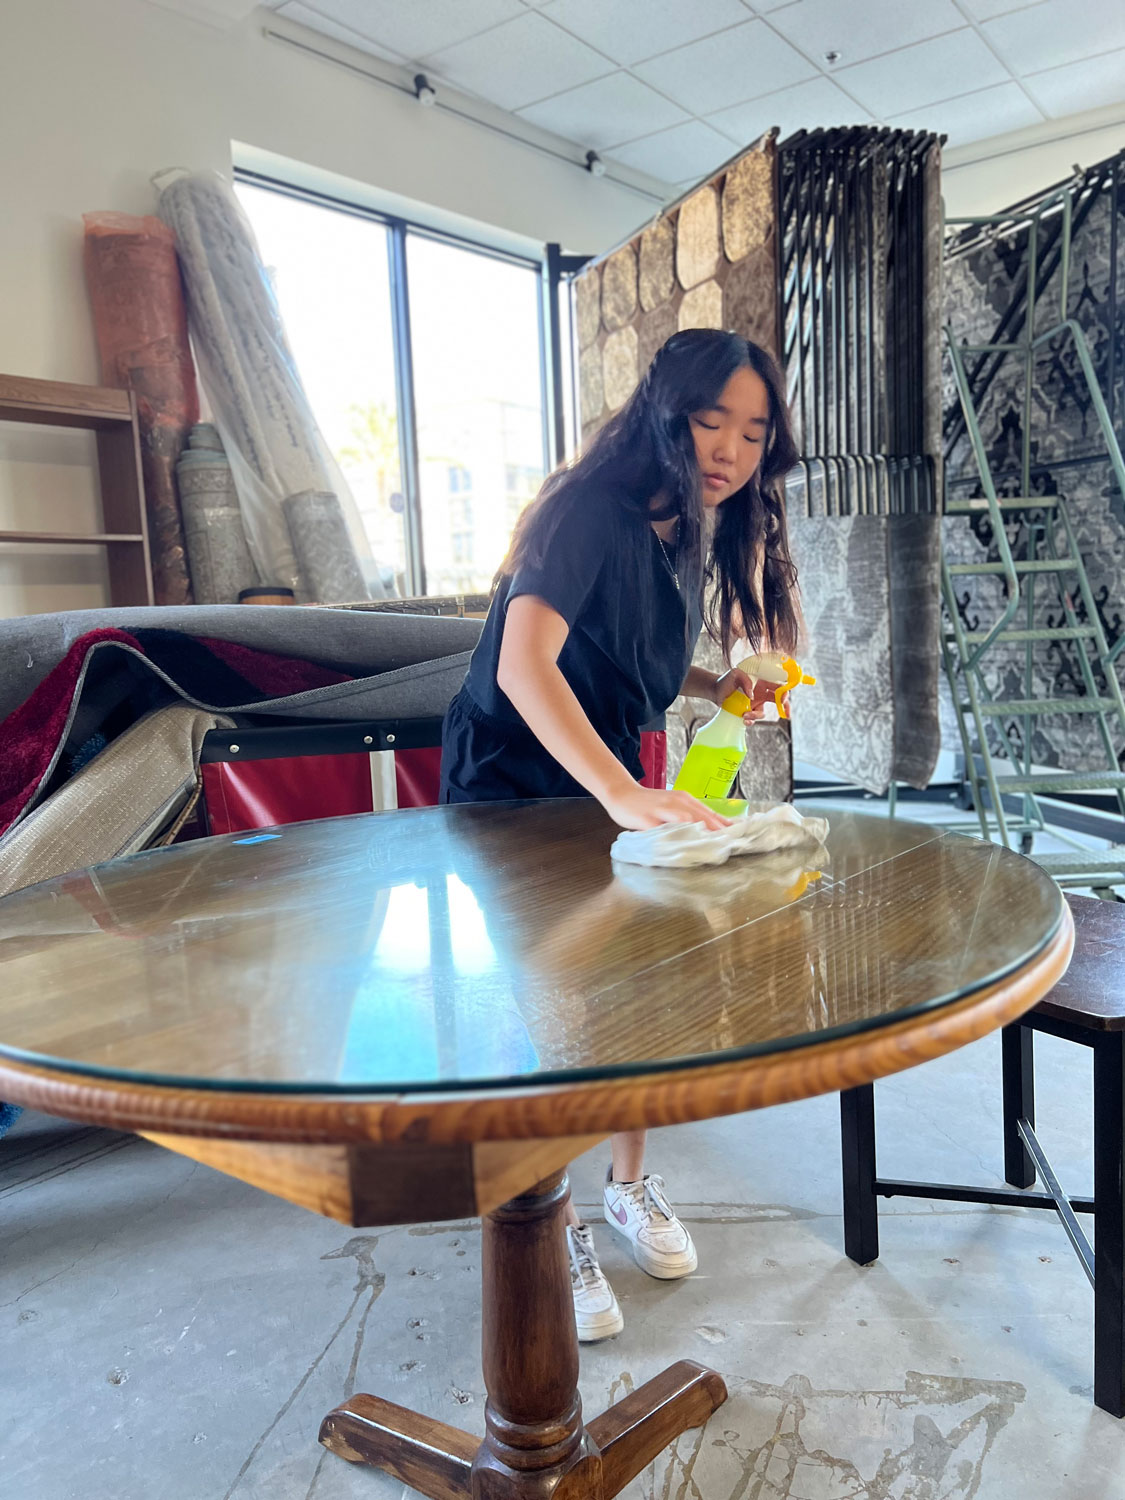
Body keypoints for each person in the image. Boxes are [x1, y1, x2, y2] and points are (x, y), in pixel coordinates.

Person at [440, 328, 802, 1340]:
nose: (730, 449)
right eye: (708, 420)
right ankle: (547, 1214)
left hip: (603, 776)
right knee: (552, 1001)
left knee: (642, 981)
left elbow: (623, 657)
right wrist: (620, 794)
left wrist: (716, 687)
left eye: (753, 429)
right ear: (662, 412)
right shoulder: (584, 512)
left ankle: (627, 1187)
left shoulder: (692, 532)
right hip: (511, 780)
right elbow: (526, 668)